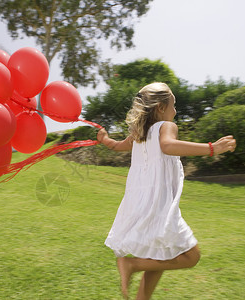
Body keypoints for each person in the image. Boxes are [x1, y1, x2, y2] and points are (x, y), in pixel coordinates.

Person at [97, 82, 236, 300]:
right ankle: (132, 264)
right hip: (159, 205)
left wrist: (104, 138)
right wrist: (212, 148)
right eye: (174, 105)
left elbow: (115, 145)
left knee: (161, 255)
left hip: (140, 202)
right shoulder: (166, 126)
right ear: (161, 107)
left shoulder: (138, 134)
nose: (176, 111)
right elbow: (168, 146)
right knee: (191, 256)